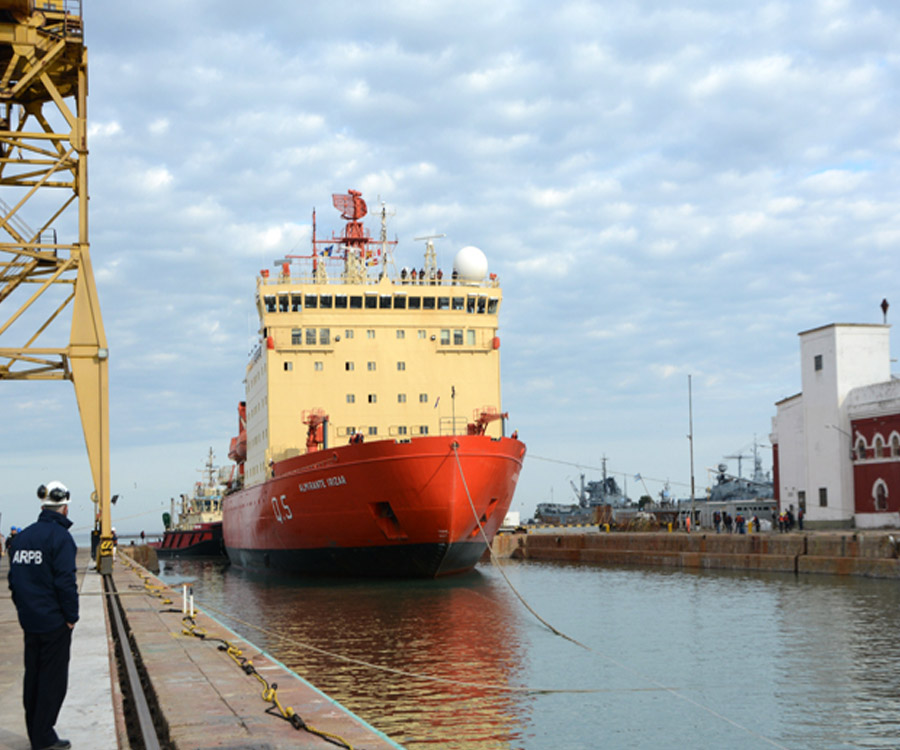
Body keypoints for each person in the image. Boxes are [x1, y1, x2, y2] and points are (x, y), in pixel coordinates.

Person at [8, 480, 78, 750]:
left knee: (33, 676)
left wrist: (24, 609)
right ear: (65, 508)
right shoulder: (61, 538)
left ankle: (35, 732)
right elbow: (65, 582)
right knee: (53, 681)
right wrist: (71, 616)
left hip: (30, 621)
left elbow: (14, 581)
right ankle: (44, 737)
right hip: (54, 622)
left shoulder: (22, 538)